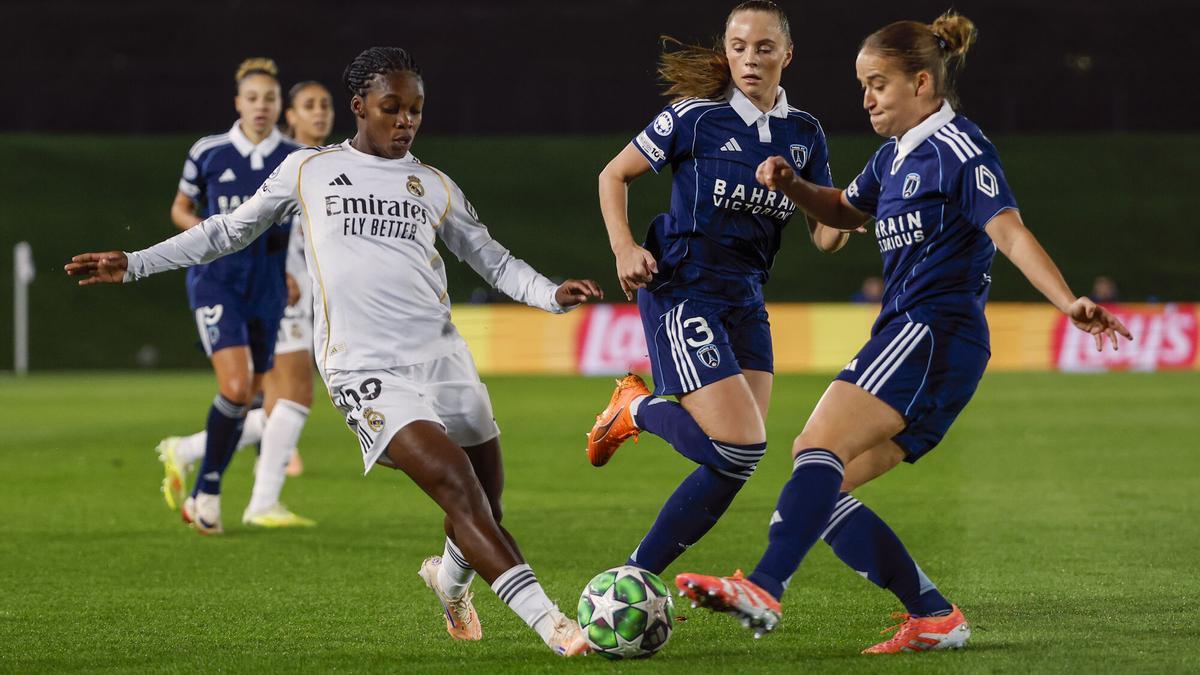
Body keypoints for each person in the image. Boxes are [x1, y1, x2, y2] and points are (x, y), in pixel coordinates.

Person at [67, 46, 599, 657]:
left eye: (416, 111)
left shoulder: (433, 185)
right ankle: (555, 627)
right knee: (457, 487)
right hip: (364, 367)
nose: (406, 121)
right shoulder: (309, 169)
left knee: (485, 503)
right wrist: (133, 263)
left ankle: (449, 582)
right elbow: (226, 230)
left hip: (444, 358)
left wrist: (552, 294)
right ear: (359, 107)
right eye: (392, 108)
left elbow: (493, 259)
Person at [674, 11, 1133, 653]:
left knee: (813, 448)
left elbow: (1008, 230)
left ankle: (765, 586)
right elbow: (840, 213)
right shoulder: (895, 156)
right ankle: (933, 614)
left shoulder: (959, 149)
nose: (866, 98)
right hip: (929, 345)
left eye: (878, 84)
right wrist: (793, 183)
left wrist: (1067, 301)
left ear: (922, 83)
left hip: (930, 332)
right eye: (862, 85)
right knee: (823, 487)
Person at [587, 0, 847, 577]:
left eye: (762, 48)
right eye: (737, 46)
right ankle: (637, 408)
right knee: (739, 446)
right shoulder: (695, 118)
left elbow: (827, 236)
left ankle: (634, 574)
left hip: (747, 298)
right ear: (726, 50)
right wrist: (625, 248)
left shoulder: (805, 134)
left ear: (787, 54)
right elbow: (613, 174)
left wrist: (862, 208)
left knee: (736, 462)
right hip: (685, 288)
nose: (749, 59)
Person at [153, 57, 313, 531]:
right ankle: (211, 492)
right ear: (237, 103)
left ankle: (199, 482)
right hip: (217, 280)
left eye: (269, 98)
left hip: (267, 283)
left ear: (279, 105)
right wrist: (209, 232)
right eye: (252, 97)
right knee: (237, 386)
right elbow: (180, 208)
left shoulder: (297, 156)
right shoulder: (210, 151)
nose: (260, 106)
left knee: (253, 397)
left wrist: (289, 270)